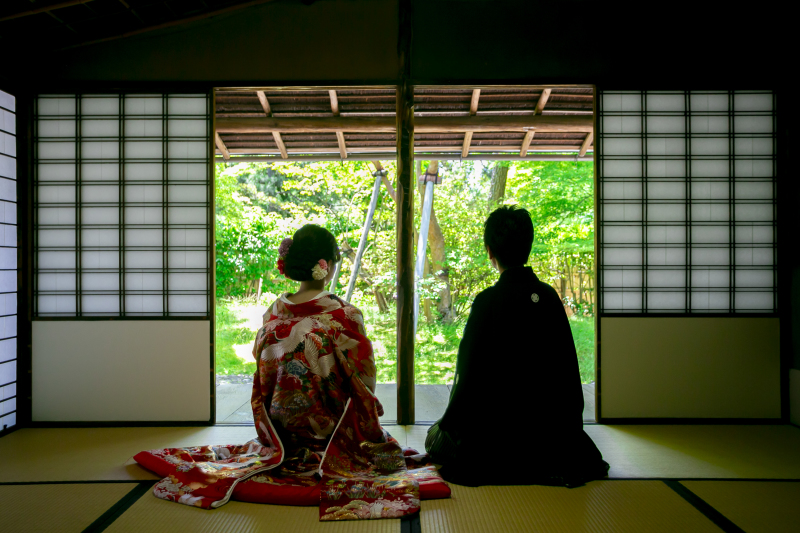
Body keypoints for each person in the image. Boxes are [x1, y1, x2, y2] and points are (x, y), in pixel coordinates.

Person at [135, 224, 450, 520]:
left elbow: (264, 373)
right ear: (325, 265)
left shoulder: (272, 312)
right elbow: (364, 380)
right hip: (334, 433)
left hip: (280, 434)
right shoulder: (345, 315)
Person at [425, 206, 609, 487]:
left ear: (490, 251)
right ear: (528, 246)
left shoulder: (487, 301)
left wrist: (449, 422)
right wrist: (570, 430)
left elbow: (467, 375)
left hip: (493, 441)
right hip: (551, 441)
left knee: (433, 437)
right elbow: (570, 375)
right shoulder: (547, 297)